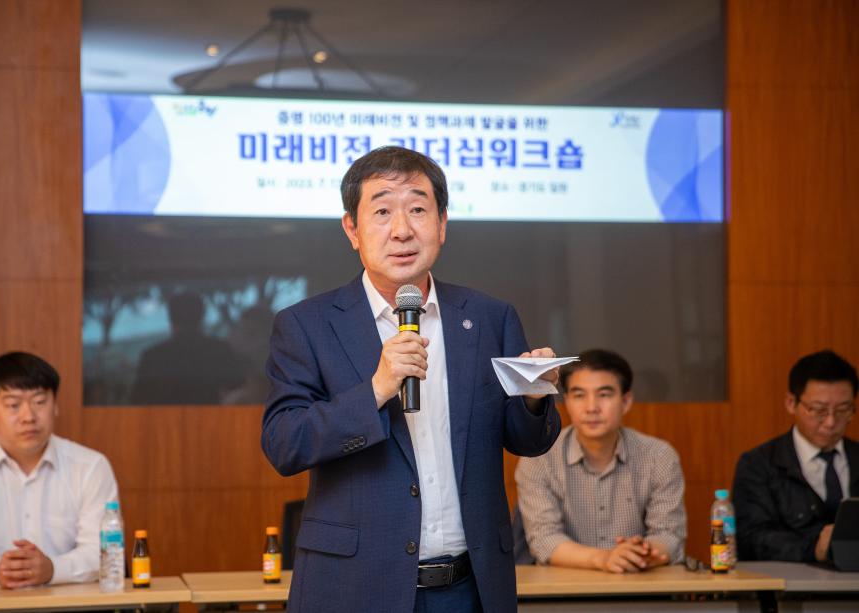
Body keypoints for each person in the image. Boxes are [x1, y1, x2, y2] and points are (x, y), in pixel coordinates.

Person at [262, 146, 561, 613]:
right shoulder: (307, 325)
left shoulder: (489, 317)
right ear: (352, 229)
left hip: (471, 587)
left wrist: (534, 398)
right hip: (355, 588)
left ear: (442, 224)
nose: (402, 229)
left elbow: (527, 441)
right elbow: (284, 443)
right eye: (382, 211)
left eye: (418, 210)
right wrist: (377, 389)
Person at [0, 352, 119, 588]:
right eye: (13, 405)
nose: (28, 417)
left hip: (69, 603)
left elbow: (104, 551)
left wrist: (53, 569)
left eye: (40, 402)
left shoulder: (90, 467)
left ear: (55, 405)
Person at [515, 349, 686, 572]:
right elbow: (544, 539)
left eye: (604, 395)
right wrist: (605, 559)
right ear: (567, 401)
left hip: (637, 582)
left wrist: (639, 554)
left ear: (626, 401)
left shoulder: (659, 456)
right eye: (579, 395)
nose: (591, 408)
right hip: (565, 587)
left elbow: (669, 534)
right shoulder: (539, 458)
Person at [733, 349, 857, 562]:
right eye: (818, 410)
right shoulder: (759, 464)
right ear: (791, 403)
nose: (830, 422)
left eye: (843, 410)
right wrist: (814, 548)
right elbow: (751, 539)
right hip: (790, 581)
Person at [130, 290, 243, 404]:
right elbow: (239, 391)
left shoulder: (153, 357)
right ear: (202, 317)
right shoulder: (220, 350)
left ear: (170, 319)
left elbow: (138, 401)